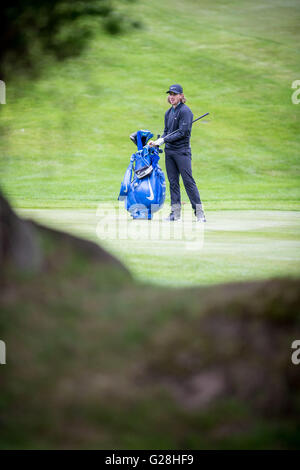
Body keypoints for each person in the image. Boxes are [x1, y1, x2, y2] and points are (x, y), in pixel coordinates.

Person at [149, 84, 206, 222]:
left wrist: (163, 140)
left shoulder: (185, 111)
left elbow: (182, 132)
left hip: (182, 152)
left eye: (175, 94)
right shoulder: (168, 113)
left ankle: (199, 214)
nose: (172, 97)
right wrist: (157, 141)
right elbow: (166, 132)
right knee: (173, 183)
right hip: (170, 152)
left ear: (181, 96)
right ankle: (175, 214)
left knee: (188, 182)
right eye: (170, 94)